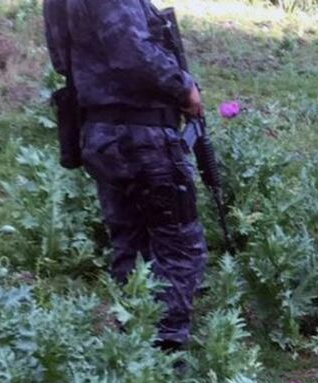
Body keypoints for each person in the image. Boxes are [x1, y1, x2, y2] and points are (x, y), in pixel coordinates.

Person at [43, 0, 208, 352]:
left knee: (130, 246)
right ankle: (164, 358)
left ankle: (132, 350)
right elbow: (133, 54)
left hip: (100, 134)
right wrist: (184, 87)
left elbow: (61, 58)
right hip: (142, 136)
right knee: (180, 248)